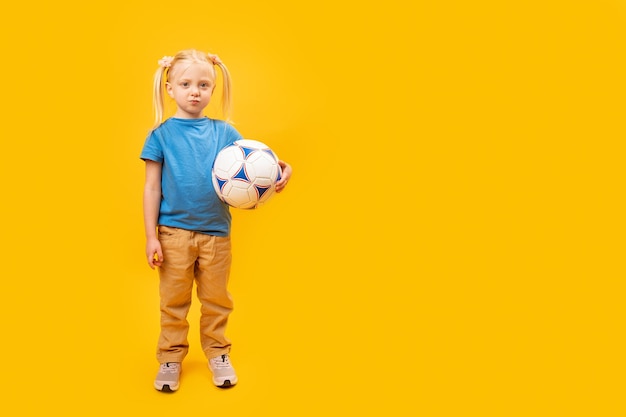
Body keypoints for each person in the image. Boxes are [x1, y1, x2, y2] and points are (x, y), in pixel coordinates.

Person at [140, 49, 291, 392]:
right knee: (173, 302)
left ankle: (218, 352)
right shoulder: (160, 135)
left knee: (216, 299)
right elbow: (151, 188)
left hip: (216, 235)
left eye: (204, 84)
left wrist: (283, 169)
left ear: (213, 89)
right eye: (186, 84)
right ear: (170, 88)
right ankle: (170, 357)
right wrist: (151, 237)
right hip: (173, 233)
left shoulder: (225, 133)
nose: (195, 91)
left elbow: (257, 164)